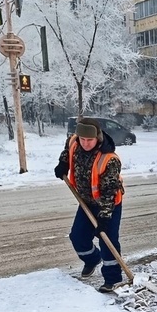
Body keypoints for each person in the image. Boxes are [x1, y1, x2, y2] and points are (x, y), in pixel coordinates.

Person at [54, 117, 124, 293]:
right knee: (77, 237)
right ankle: (92, 259)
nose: (85, 143)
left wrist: (104, 217)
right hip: (85, 201)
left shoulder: (109, 159)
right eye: (82, 139)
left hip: (108, 204)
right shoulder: (74, 142)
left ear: (97, 138)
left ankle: (113, 279)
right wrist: (63, 163)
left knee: (107, 240)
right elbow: (67, 150)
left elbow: (110, 191)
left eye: (89, 140)